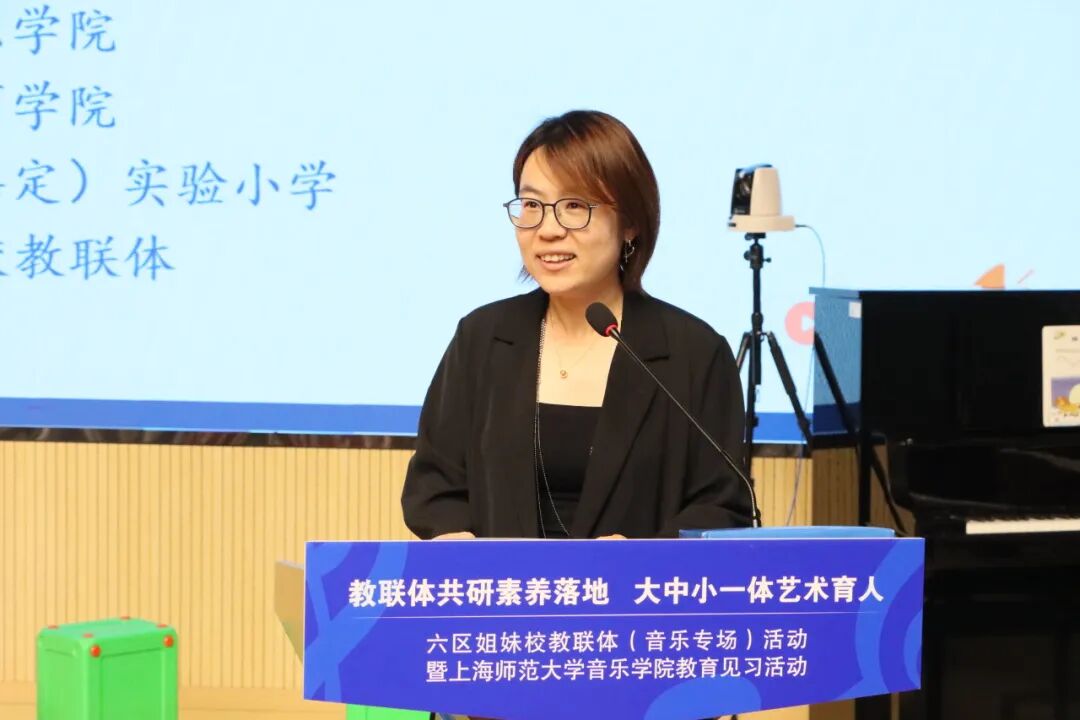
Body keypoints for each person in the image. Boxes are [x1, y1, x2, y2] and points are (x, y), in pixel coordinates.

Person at [401, 109, 752, 540]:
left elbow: (722, 505)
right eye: (532, 205)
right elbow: (433, 485)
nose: (548, 230)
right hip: (502, 583)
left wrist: (647, 555)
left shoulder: (693, 353)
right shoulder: (483, 338)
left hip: (635, 585)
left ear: (630, 223)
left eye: (574, 206)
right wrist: (452, 537)